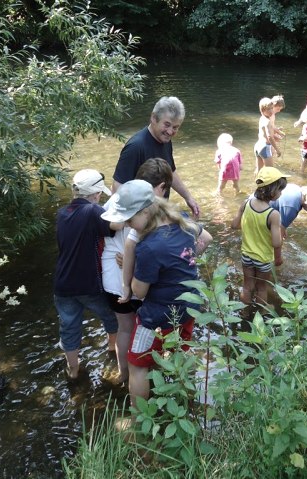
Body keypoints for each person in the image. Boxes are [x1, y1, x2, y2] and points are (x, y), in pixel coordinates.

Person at [101, 180, 212, 405]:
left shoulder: (150, 246)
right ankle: (185, 400)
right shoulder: (181, 219)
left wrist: (129, 270)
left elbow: (139, 292)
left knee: (137, 364)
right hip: (189, 306)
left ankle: (139, 418)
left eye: (130, 220)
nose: (130, 226)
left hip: (157, 317)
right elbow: (206, 238)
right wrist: (185, 257)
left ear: (145, 212)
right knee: (181, 352)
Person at [101, 158, 173, 382]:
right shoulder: (153, 209)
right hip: (138, 280)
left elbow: (104, 231)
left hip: (112, 277)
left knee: (125, 329)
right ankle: (146, 375)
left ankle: (125, 375)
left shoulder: (115, 200)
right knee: (147, 329)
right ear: (160, 187)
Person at [54, 169, 119, 380]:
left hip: (62, 285)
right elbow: (114, 227)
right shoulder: (93, 211)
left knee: (69, 327)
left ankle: (73, 371)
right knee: (111, 316)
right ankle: (112, 350)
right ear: (96, 193)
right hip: (88, 283)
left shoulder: (62, 213)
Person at [112, 96, 199, 217]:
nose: (170, 132)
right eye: (167, 125)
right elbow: (117, 187)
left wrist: (188, 197)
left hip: (156, 214)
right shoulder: (136, 147)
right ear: (154, 118)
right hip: (139, 219)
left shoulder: (165, 140)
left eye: (175, 127)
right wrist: (130, 222)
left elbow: (170, 171)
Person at [231, 166, 289, 305]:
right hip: (263, 259)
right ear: (273, 191)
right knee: (261, 288)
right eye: (280, 190)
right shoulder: (273, 214)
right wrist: (278, 256)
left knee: (247, 285)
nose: (281, 193)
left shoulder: (246, 203)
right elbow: (276, 243)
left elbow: (234, 225)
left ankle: (245, 311)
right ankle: (261, 312)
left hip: (246, 255)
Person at [254, 97, 282, 174]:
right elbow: (269, 137)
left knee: (259, 170)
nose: (271, 111)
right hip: (265, 147)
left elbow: (265, 133)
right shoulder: (267, 121)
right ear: (262, 110)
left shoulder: (261, 118)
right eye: (268, 109)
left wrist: (277, 131)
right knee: (270, 173)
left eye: (272, 108)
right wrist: (277, 149)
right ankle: (268, 186)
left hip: (258, 146)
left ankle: (257, 184)